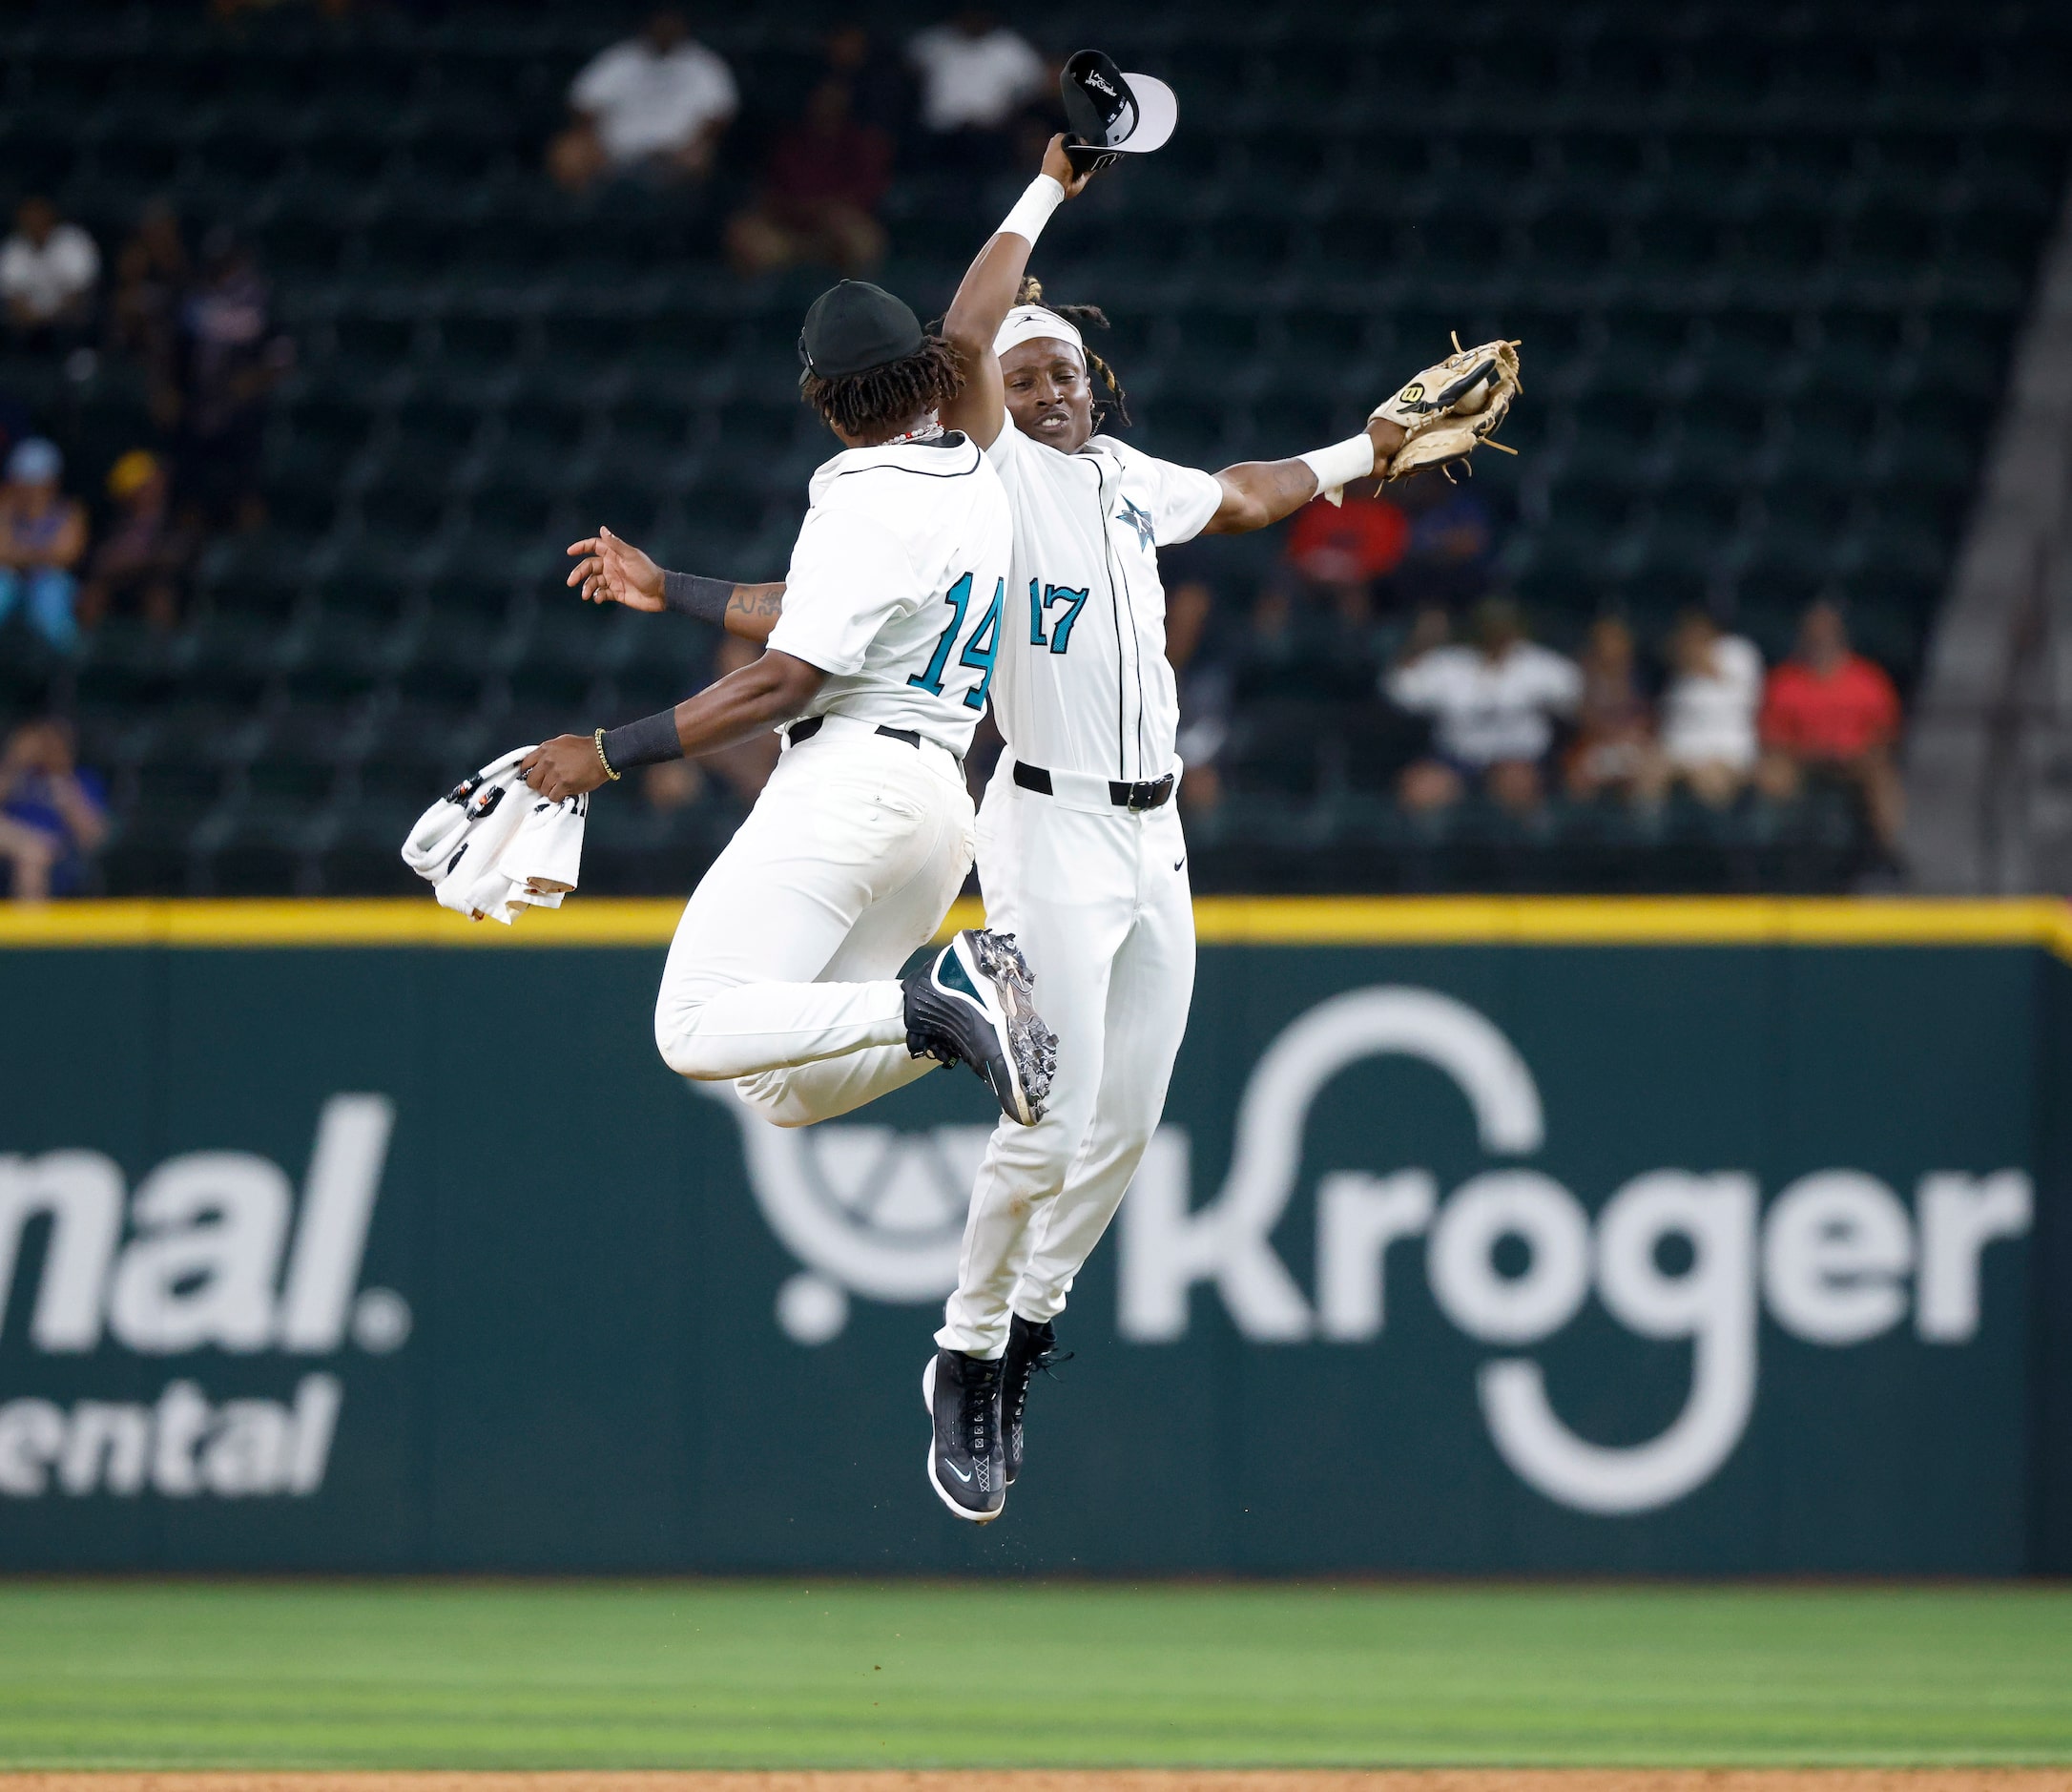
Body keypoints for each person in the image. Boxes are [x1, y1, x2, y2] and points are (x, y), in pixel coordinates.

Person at [564, 136, 1502, 1523]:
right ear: (981, 400)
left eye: (1062, 369)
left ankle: (1018, 1334)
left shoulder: (1127, 480)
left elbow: (1245, 493)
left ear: (1094, 384)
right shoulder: (980, 481)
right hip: (1041, 823)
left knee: (1123, 1126)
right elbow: (821, 588)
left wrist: (1362, 450)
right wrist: (681, 594)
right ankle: (963, 1346)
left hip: (1156, 837)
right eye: (1022, 375)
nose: (1046, 387)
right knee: (1043, 1108)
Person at [522, 278, 1057, 1204]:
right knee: (783, 1087)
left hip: (855, 781)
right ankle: (968, 1007)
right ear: (925, 371)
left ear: (820, 396)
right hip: (937, 815)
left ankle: (951, 992)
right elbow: (815, 607)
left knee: (691, 1024)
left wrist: (609, 752)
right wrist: (669, 587)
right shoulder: (968, 463)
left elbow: (784, 679)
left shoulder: (864, 496)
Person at [1387, 597, 1581, 817]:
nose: (1495, 631)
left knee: (1516, 784)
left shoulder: (1540, 665)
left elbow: (1576, 699)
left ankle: (1518, 849)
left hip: (1517, 759)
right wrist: (1421, 641)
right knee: (1420, 789)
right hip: (1457, 760)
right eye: (1489, 624)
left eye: (1502, 624)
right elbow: (1399, 690)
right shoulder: (1451, 663)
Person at [1755, 599, 1904, 854]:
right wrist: (1804, 752)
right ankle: (1773, 852)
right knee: (1773, 775)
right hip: (1803, 760)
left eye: (1826, 633)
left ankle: (1885, 851)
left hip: (1853, 760)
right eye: (1813, 634)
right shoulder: (1785, 681)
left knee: (1882, 777)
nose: (1820, 639)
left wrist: (1862, 754)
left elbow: (1884, 733)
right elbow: (1773, 737)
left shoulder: (1867, 679)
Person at [549, 10, 737, 194]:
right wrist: (593, 139)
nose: (665, 29)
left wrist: (694, 143)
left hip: (674, 154)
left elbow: (720, 113)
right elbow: (582, 103)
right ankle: (578, 216)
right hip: (612, 152)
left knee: (700, 157)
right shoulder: (619, 59)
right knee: (567, 152)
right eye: (660, 24)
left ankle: (679, 216)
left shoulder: (703, 64)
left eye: (671, 24)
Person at [177, 230, 291, 530]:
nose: (220, 267)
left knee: (245, 488)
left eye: (226, 260)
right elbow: (176, 350)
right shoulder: (196, 297)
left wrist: (250, 383)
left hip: (244, 409)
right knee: (191, 489)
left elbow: (281, 357)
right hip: (200, 403)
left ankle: (250, 549)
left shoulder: (260, 298)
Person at [726, 80, 893, 280]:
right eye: (821, 102)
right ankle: (758, 304)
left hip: (836, 232)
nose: (826, 109)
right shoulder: (789, 143)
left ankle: (853, 306)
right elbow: (771, 194)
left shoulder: (862, 145)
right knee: (743, 234)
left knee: (863, 241)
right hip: (789, 233)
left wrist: (829, 211)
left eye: (834, 104)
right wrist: (802, 211)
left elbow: (867, 193)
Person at [904, 12, 1046, 179]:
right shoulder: (934, 42)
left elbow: (1036, 86)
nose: (972, 20)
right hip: (938, 135)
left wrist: (1011, 116)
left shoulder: (1009, 47)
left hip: (991, 136)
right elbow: (906, 68)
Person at [76, 449, 197, 632]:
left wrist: (134, 562)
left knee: (159, 599)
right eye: (134, 489)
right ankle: (86, 654)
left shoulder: (179, 516)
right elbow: (97, 561)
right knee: (91, 596)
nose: (142, 493)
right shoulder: (113, 523)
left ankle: (162, 657)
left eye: (146, 484)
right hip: (118, 584)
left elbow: (179, 553)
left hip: (159, 581)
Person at [1657, 609, 1765, 807]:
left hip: (1728, 751)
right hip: (1681, 750)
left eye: (1697, 633)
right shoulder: (1678, 670)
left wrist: (1705, 664)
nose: (1691, 640)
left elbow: (1748, 698)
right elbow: (1670, 724)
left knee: (1711, 781)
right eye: (1686, 634)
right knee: (1649, 773)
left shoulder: (1737, 652)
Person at [0, 719, 107, 901]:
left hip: (58, 856)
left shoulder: (82, 780)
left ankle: (31, 928)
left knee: (32, 854)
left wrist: (61, 776)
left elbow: (93, 836)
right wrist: (15, 761)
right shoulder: (15, 775)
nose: (44, 750)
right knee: (31, 850)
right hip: (10, 846)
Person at [0, 438, 89, 655]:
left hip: (51, 584)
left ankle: (67, 664)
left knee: (49, 592)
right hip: (12, 583)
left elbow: (67, 555)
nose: (28, 489)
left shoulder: (69, 512)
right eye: (22, 481)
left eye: (34, 482)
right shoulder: (7, 510)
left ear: (51, 482)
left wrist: (20, 556)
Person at [1564, 615, 1659, 803]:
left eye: (1615, 641)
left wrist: (1634, 736)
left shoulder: (1641, 678)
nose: (1609, 648)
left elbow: (1649, 718)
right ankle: (1583, 828)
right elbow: (1583, 719)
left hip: (1632, 746)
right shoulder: (1581, 678)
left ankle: (1645, 829)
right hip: (1593, 746)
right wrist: (1614, 735)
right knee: (1579, 776)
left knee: (1651, 770)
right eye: (1603, 642)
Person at [0, 198, 99, 345]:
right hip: (25, 326)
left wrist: (51, 318)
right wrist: (35, 319)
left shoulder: (72, 241)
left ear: (49, 217)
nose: (33, 223)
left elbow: (79, 292)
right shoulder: (13, 249)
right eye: (28, 220)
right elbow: (13, 299)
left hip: (68, 321)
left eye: (37, 217)